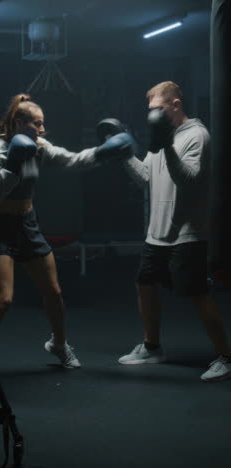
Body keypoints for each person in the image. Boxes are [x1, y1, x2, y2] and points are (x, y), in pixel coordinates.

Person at [0, 93, 133, 392]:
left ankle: (58, 344)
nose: (43, 131)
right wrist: (15, 162)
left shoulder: (39, 147)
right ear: (19, 123)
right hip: (0, 226)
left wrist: (103, 152)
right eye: (37, 124)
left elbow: (72, 161)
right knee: (2, 299)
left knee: (54, 292)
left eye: (43, 124)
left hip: (28, 223)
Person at [118, 81, 231, 381]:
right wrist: (124, 155)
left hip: (187, 231)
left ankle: (226, 357)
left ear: (176, 104)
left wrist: (167, 145)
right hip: (156, 231)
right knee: (144, 283)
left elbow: (190, 179)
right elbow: (146, 178)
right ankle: (152, 346)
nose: (152, 116)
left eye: (158, 109)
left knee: (197, 293)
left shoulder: (197, 135)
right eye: (150, 111)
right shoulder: (161, 136)